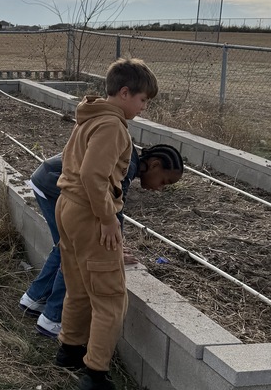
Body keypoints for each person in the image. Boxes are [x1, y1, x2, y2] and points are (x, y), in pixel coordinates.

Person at [53, 58, 160, 390]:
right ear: (125, 93)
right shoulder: (113, 126)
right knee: (110, 297)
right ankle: (95, 376)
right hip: (89, 213)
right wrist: (107, 218)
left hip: (68, 206)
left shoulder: (91, 117)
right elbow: (93, 175)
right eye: (142, 100)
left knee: (78, 286)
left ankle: (70, 348)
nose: (143, 108)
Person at [20, 143, 184, 337]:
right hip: (56, 187)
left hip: (49, 180)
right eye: (163, 181)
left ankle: (34, 299)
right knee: (74, 253)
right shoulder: (127, 164)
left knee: (65, 247)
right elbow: (114, 208)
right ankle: (52, 319)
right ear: (155, 164)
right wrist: (114, 248)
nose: (159, 188)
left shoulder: (127, 156)